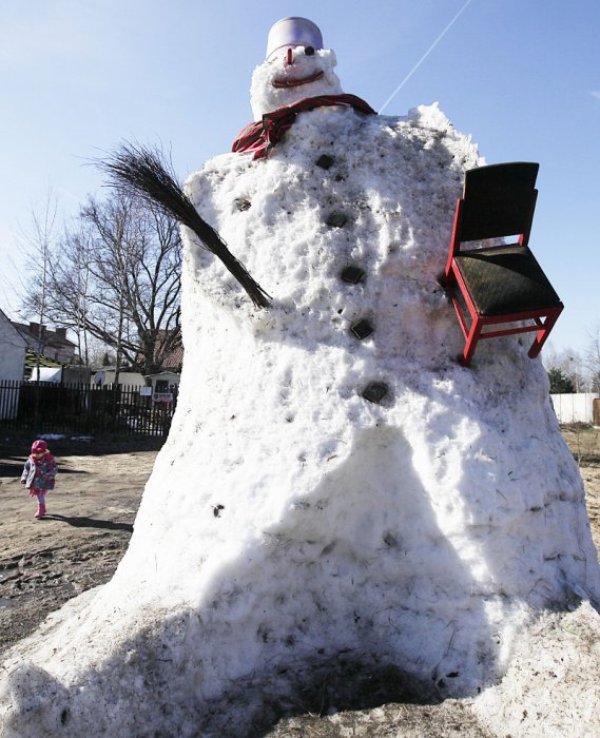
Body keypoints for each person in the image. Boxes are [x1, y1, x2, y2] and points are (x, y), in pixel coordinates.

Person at [20, 439, 57, 519]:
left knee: (40, 494)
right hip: (34, 481)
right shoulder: (31, 459)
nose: (36, 455)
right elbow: (26, 468)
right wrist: (24, 477)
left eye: (38, 453)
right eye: (34, 453)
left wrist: (48, 475)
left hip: (44, 481)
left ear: (44, 452)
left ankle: (41, 509)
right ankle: (42, 509)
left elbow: (54, 469)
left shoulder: (49, 459)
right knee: (38, 495)